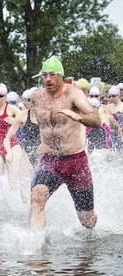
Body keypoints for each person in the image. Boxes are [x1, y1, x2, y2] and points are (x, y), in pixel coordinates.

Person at [29, 56, 101, 232]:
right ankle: (36, 247)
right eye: (44, 75)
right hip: (50, 160)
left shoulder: (73, 93)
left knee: (87, 221)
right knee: (37, 196)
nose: (48, 79)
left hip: (76, 162)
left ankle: (93, 216)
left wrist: (79, 117)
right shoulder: (36, 97)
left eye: (52, 74)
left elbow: (96, 120)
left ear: (61, 75)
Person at [0, 83, 24, 199]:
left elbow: (23, 120)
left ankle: (18, 203)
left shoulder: (11, 109)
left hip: (12, 145)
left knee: (13, 180)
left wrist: (13, 120)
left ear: (5, 97)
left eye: (1, 96)